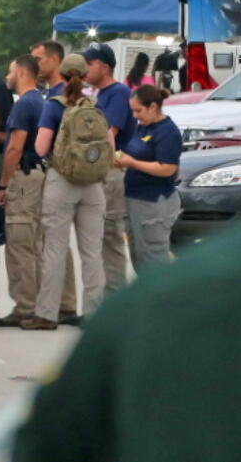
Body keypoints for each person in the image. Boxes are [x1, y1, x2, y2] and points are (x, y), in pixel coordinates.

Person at [12, 236, 241, 462]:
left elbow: (54, 436)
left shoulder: (160, 300)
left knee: (52, 244)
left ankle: (46, 310)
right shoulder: (164, 299)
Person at [27, 54, 107, 331]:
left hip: (62, 181)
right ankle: (95, 313)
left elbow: (40, 147)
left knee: (55, 250)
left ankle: (47, 314)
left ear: (61, 73)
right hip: (93, 184)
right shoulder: (94, 105)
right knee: (92, 252)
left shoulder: (54, 105)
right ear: (85, 76)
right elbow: (108, 144)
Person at [0, 55, 47, 327]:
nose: (8, 77)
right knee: (34, 244)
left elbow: (14, 147)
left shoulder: (24, 104)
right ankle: (36, 302)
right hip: (38, 174)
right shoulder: (41, 102)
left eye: (11, 72)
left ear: (23, 72)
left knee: (20, 244)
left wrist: (3, 184)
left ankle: (25, 306)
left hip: (23, 178)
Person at [83, 42, 137, 294]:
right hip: (101, 170)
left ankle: (114, 294)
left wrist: (99, 168)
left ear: (104, 67)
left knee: (110, 233)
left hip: (111, 170)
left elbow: (108, 134)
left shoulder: (117, 93)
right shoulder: (100, 95)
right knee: (98, 235)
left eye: (89, 63)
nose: (85, 68)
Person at [116, 85, 182, 268]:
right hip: (134, 198)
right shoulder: (143, 127)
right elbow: (134, 151)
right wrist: (119, 158)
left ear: (153, 107)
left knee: (153, 257)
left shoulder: (167, 131)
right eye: (133, 111)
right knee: (138, 254)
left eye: (138, 110)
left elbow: (167, 168)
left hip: (154, 201)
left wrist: (133, 163)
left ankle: (163, 296)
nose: (135, 115)